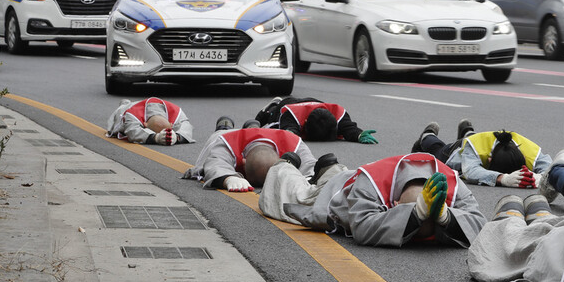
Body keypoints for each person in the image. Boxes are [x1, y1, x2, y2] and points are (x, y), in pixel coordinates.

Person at [264, 152, 486, 247]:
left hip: (354, 177)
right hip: (337, 192)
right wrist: (415, 215)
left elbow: (480, 224)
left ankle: (329, 168)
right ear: (395, 205)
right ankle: (285, 164)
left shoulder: (452, 186)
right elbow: (362, 228)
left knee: (340, 172)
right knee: (297, 192)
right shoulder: (370, 184)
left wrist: (447, 218)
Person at [182, 116, 316, 192]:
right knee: (220, 132)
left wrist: (305, 181)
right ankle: (224, 125)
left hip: (269, 135)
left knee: (254, 128)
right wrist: (228, 178)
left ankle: (253, 126)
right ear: (243, 161)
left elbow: (311, 166)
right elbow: (214, 164)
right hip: (228, 134)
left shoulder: (293, 142)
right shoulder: (225, 142)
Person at [411, 119, 552, 188]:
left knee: (471, 136)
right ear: (489, 160)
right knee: (437, 150)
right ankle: (427, 135)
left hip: (477, 139)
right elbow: (471, 171)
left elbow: (550, 165)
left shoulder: (527, 149)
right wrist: (502, 178)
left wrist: (540, 177)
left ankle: (468, 130)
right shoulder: (476, 148)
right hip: (458, 150)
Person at [254, 96, 378, 144]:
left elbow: (349, 128)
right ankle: (271, 107)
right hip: (288, 103)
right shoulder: (291, 114)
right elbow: (288, 129)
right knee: (263, 123)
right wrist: (289, 134)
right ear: (305, 123)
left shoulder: (338, 114)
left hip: (315, 102)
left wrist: (359, 134)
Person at [105, 97, 193, 145]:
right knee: (121, 109)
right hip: (130, 107)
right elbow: (132, 131)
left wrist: (177, 137)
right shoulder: (132, 114)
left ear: (171, 124)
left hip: (158, 105)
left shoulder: (177, 113)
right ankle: (126, 102)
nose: (163, 135)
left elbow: (187, 127)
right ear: (145, 125)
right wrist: (155, 138)